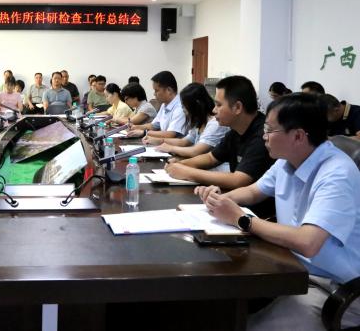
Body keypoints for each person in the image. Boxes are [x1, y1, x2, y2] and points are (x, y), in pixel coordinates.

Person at [195, 93, 360, 331]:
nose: (264, 136)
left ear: (298, 136)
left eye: (269, 130)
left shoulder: (337, 173)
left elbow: (308, 242)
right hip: (292, 269)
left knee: (246, 324)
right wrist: (219, 199)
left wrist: (241, 219)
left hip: (332, 288)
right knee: (220, 306)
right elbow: (253, 191)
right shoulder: (287, 160)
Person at [165, 75, 274, 190]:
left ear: (237, 107)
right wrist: (181, 164)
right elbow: (211, 158)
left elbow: (238, 180)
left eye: (219, 105)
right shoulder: (235, 131)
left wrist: (188, 172)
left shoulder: (263, 135)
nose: (214, 110)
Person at [144, 82, 229, 160]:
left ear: (196, 105)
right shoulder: (199, 122)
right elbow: (184, 142)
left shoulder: (215, 124)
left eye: (185, 106)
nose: (183, 110)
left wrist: (171, 148)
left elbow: (195, 151)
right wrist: (159, 141)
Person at [128, 71, 187, 139]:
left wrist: (144, 133)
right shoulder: (164, 104)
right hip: (164, 142)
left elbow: (170, 134)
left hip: (174, 144)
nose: (154, 94)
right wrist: (136, 127)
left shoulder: (180, 107)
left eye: (156, 90)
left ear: (169, 90)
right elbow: (155, 125)